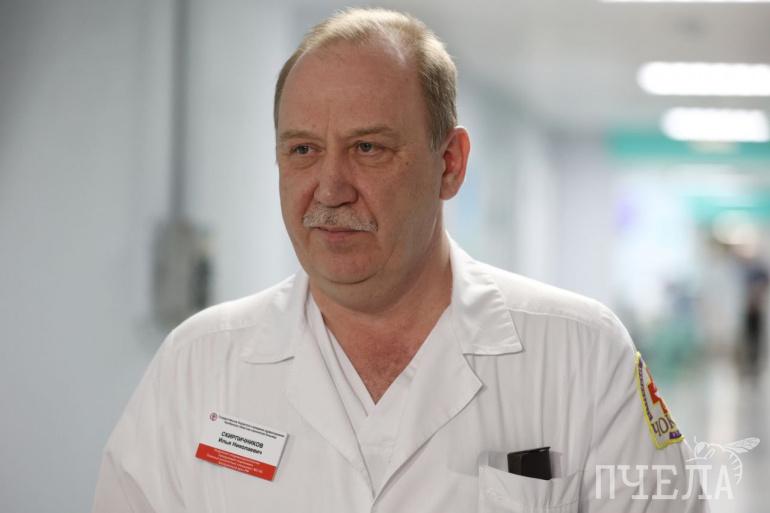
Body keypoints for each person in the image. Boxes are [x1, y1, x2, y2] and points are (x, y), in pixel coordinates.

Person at [92, 8, 707, 512]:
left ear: (449, 165)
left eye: (368, 148)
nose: (330, 188)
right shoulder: (197, 363)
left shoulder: (581, 353)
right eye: (303, 150)